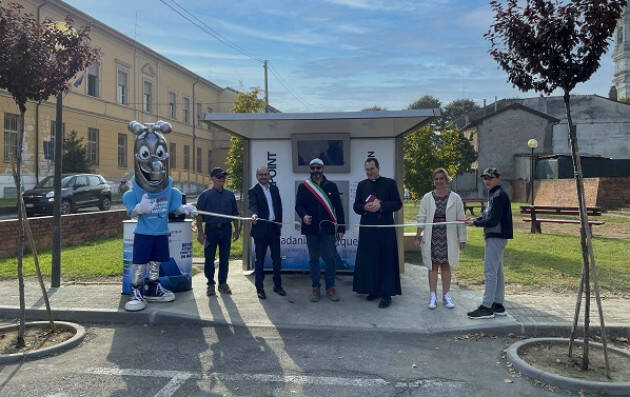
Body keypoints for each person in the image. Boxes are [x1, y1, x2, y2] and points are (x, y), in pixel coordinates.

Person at [122, 120, 196, 312]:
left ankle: (152, 288)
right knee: (140, 263)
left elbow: (174, 209)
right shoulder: (133, 194)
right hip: (144, 234)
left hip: (161, 233)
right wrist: (139, 208)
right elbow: (131, 212)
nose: (155, 162)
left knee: (156, 263)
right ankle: (136, 291)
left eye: (160, 155)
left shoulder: (171, 192)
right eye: (146, 154)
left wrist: (184, 209)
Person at [352, 158, 402, 308]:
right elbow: (356, 206)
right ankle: (372, 289)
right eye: (367, 170)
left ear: (378, 168)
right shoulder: (362, 185)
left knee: (386, 260)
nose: (370, 172)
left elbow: (397, 204)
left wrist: (381, 205)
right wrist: (365, 207)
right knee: (369, 259)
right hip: (368, 228)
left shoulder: (389, 183)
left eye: (372, 169)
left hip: (385, 229)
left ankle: (386, 294)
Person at [415, 168, 467, 310]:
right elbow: (421, 218)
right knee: (432, 266)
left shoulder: (455, 198)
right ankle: (432, 296)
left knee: (445, 266)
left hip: (447, 237)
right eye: (436, 179)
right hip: (432, 237)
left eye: (441, 179)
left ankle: (446, 295)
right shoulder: (427, 197)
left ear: (446, 180)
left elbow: (461, 219)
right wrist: (418, 236)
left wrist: (462, 239)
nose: (439, 181)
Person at [465, 167, 513, 319]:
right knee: (497, 272)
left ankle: (486, 307)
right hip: (496, 236)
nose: (487, 181)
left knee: (490, 272)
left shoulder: (498, 196)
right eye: (485, 178)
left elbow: (493, 220)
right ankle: (497, 305)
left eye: (490, 178)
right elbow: (488, 215)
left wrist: (476, 224)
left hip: (496, 236)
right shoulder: (494, 195)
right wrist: (475, 220)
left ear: (498, 178)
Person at [295, 158, 345, 302]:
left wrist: (341, 228)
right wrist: (303, 216)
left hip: (328, 230)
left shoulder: (332, 186)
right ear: (310, 169)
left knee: (330, 259)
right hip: (310, 230)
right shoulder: (304, 187)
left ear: (323, 169)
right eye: (313, 168)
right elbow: (298, 206)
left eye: (318, 168)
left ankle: (331, 287)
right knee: (313, 259)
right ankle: (315, 288)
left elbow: (339, 208)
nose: (316, 170)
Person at [196, 167, 240, 297]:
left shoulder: (230, 195)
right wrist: (200, 233)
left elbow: (235, 214)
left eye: (223, 177)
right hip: (211, 230)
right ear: (213, 179)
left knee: (225, 258)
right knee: (209, 258)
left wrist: (236, 230)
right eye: (219, 177)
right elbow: (199, 216)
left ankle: (223, 283)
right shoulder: (205, 196)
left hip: (226, 229)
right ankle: (210, 284)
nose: (222, 179)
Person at [248, 166, 286, 299]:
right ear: (257, 176)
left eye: (265, 174)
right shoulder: (253, 190)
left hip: (274, 229)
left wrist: (279, 222)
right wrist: (254, 214)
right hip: (260, 230)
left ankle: (278, 286)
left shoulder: (274, 189)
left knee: (277, 260)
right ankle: (260, 289)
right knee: (260, 261)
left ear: (269, 175)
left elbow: (279, 207)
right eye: (260, 174)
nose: (263, 176)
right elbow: (253, 205)